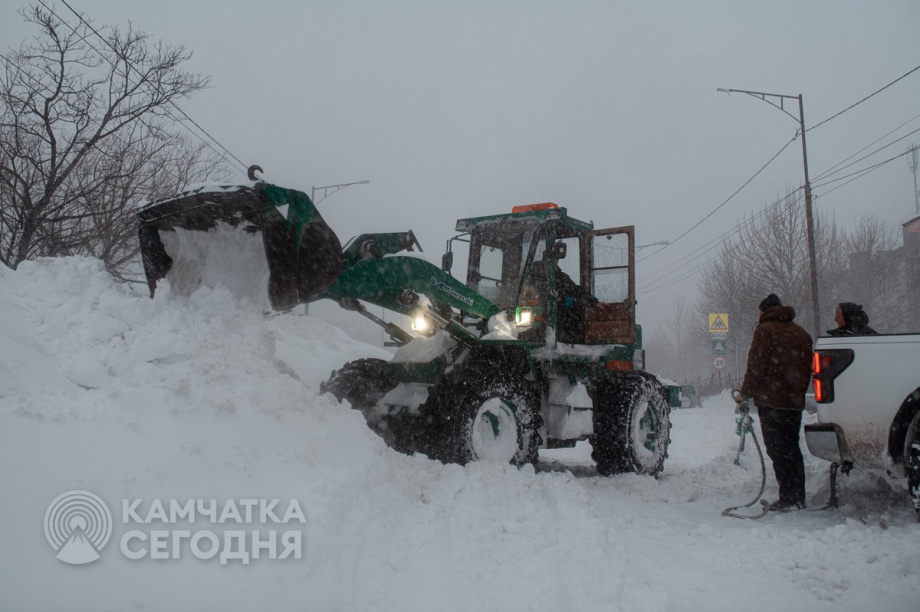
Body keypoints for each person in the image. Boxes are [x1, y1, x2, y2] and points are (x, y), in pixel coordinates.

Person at [734, 293, 814, 511]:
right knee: (792, 448)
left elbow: (756, 366)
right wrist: (796, 390)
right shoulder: (802, 334)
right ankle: (798, 496)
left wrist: (745, 394)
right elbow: (808, 368)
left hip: (772, 401)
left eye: (760, 312)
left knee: (777, 450)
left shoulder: (765, 331)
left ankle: (788, 498)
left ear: (765, 311)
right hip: (794, 402)